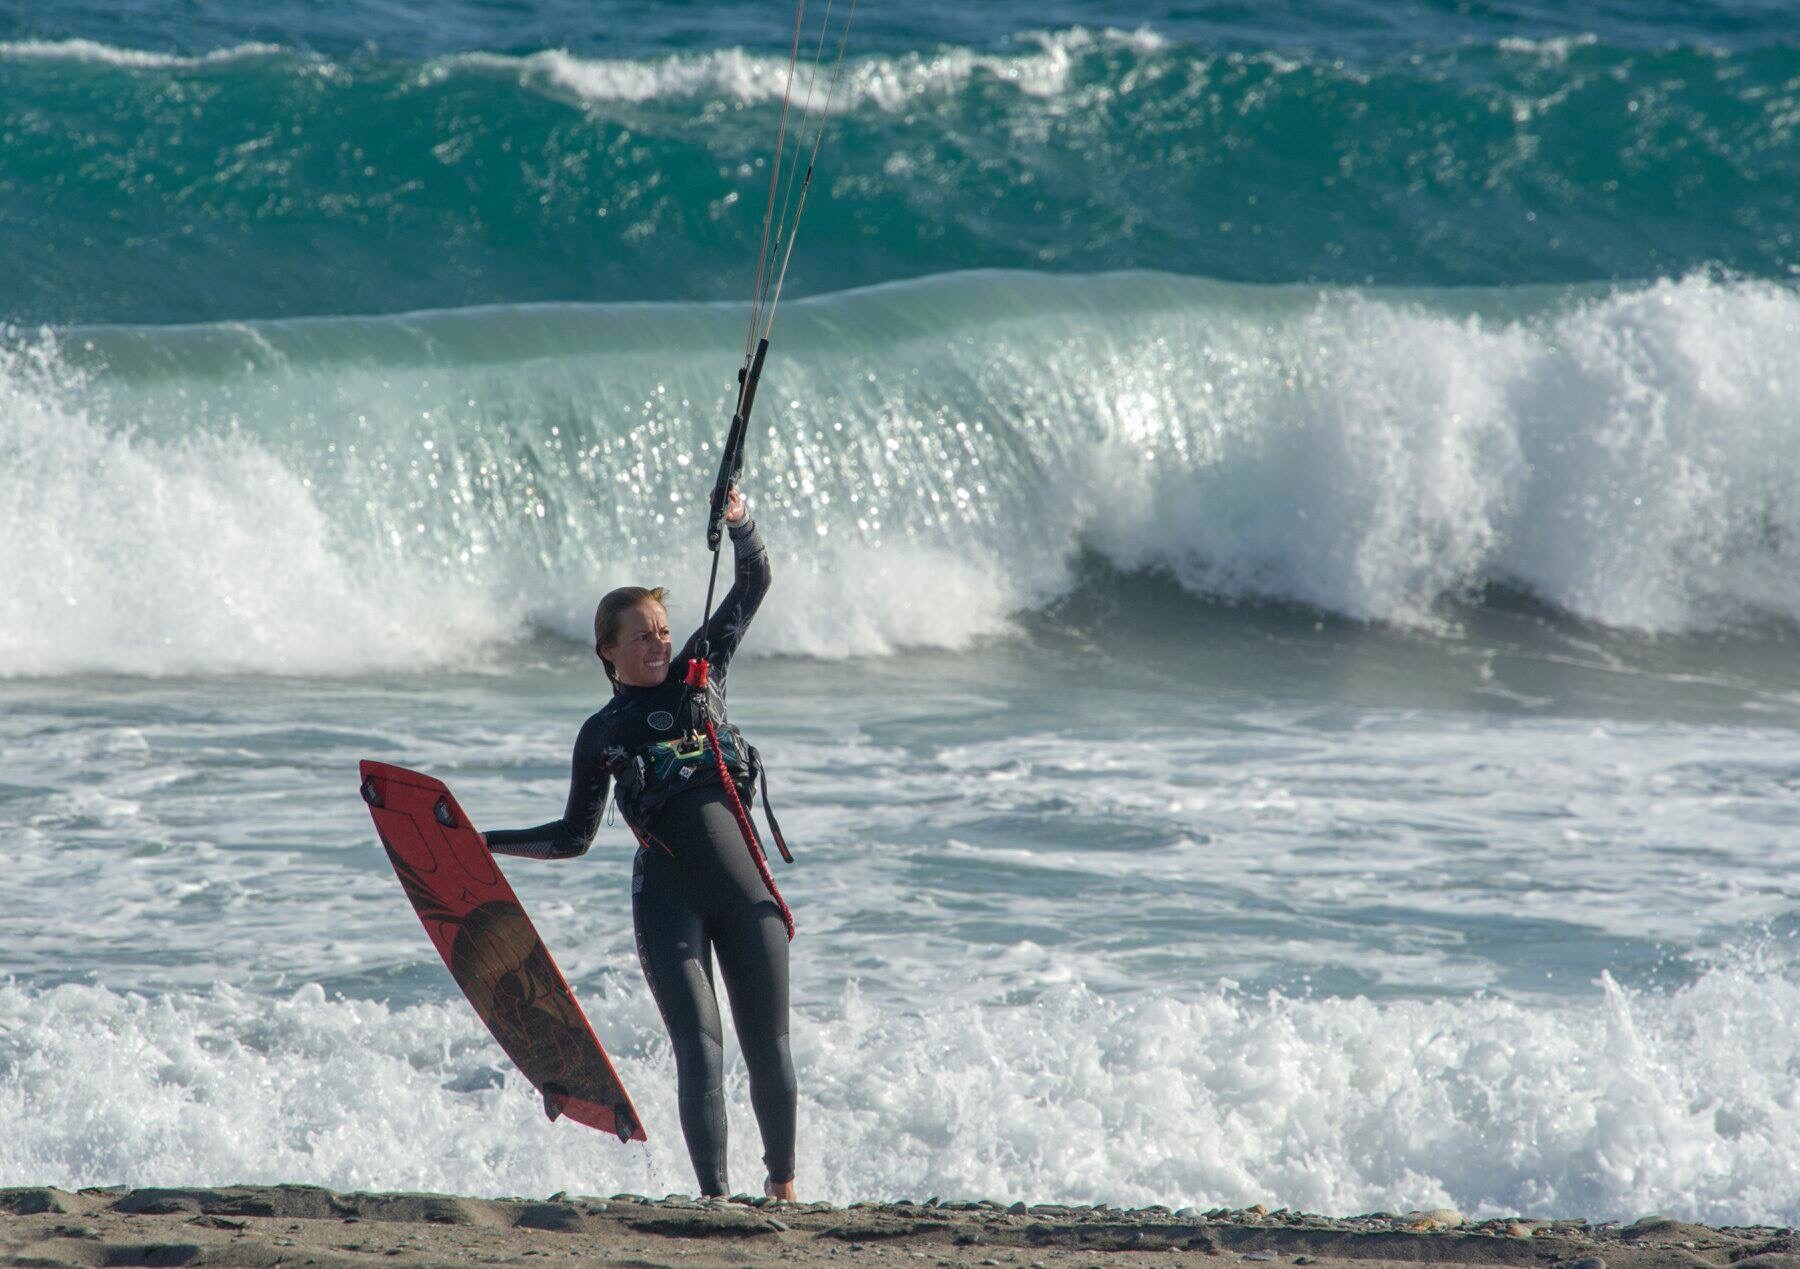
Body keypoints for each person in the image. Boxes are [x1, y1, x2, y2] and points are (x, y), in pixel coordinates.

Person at [482, 485, 798, 1202]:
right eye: (642, 633)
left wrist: (740, 520)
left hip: (747, 890)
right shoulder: (604, 733)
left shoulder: (703, 671)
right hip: (668, 899)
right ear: (608, 650)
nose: (659, 641)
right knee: (701, 1047)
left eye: (663, 628)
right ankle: (716, 1200)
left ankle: (782, 1187)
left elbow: (754, 582)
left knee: (769, 1046)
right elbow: (572, 836)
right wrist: (485, 842)